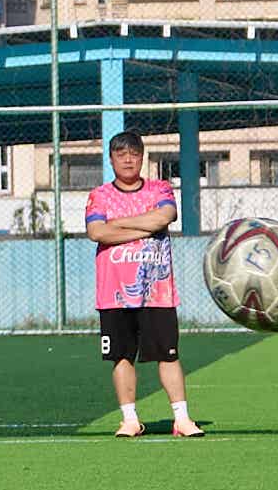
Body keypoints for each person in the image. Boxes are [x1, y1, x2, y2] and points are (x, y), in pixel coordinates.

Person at [84, 127, 201, 438]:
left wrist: (118, 224)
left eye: (134, 154)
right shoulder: (99, 196)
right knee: (121, 356)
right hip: (114, 293)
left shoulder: (159, 189)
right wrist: (145, 227)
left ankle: (182, 419)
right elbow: (97, 232)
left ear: (142, 158)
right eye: (121, 155)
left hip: (157, 292)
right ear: (111, 159)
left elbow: (165, 216)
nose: (128, 160)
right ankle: (130, 420)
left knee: (168, 354)